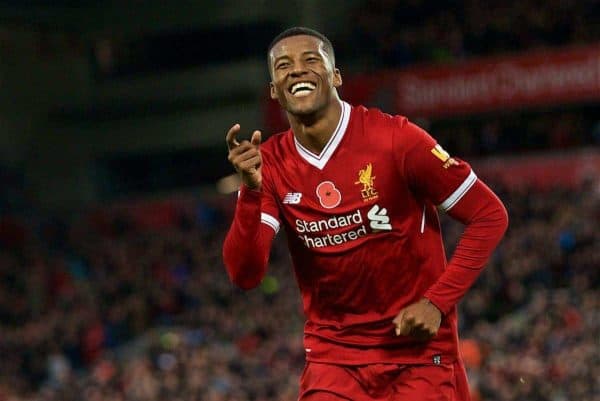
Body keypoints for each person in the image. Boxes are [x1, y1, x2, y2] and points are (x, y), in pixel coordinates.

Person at [223, 27, 508, 401]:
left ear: (335, 75)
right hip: (334, 361)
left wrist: (437, 302)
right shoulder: (270, 165)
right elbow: (245, 275)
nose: (296, 70)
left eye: (311, 60)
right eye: (283, 66)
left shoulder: (396, 140)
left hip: (418, 356)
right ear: (274, 89)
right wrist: (250, 191)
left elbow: (489, 215)